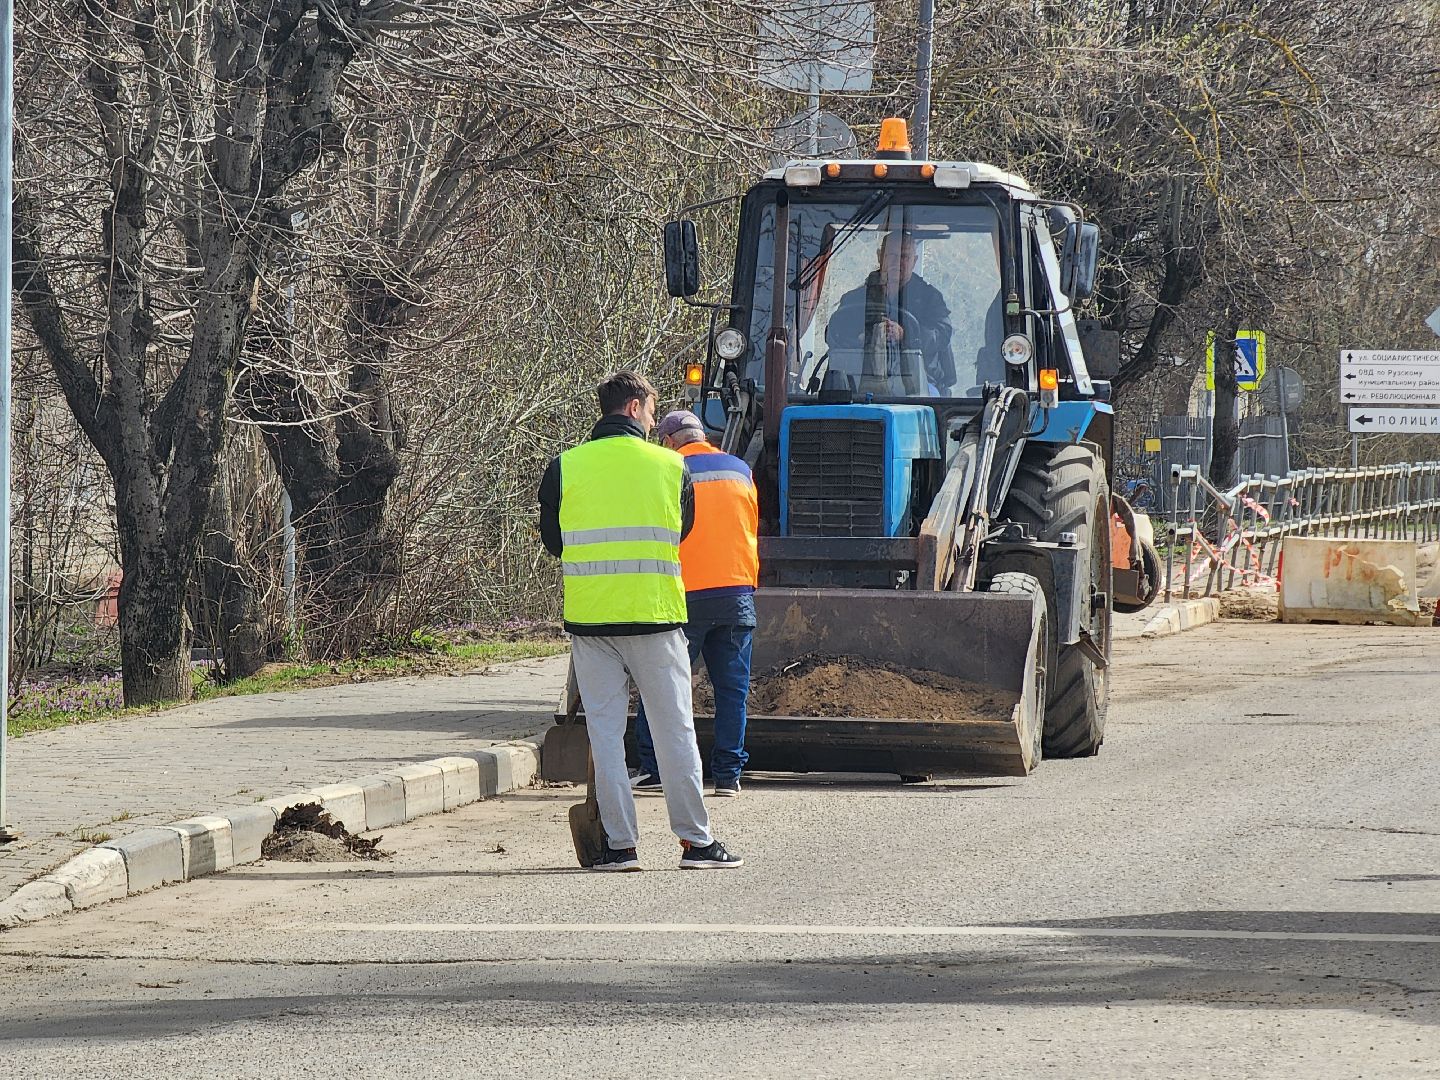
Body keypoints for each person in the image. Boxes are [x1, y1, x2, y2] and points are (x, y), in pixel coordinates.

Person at [537, 371, 742, 872]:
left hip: (591, 622)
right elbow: (683, 531)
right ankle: (696, 844)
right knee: (675, 732)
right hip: (655, 618)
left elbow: (553, 540)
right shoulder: (671, 467)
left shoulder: (564, 467)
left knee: (606, 738)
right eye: (651, 411)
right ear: (633, 408)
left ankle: (620, 847)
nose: (653, 421)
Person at [631, 411, 759, 798]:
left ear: (670, 440)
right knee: (732, 692)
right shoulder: (739, 469)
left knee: (661, 687)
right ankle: (727, 777)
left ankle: (654, 770)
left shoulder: (668, 467)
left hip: (684, 596)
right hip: (737, 594)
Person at [825, 231, 957, 394]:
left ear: (914, 261)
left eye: (904, 257)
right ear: (880, 257)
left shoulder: (930, 298)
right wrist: (862, 339)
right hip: (858, 382)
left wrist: (904, 334)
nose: (897, 262)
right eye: (891, 256)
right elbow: (834, 334)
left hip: (921, 385)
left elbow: (942, 334)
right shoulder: (853, 300)